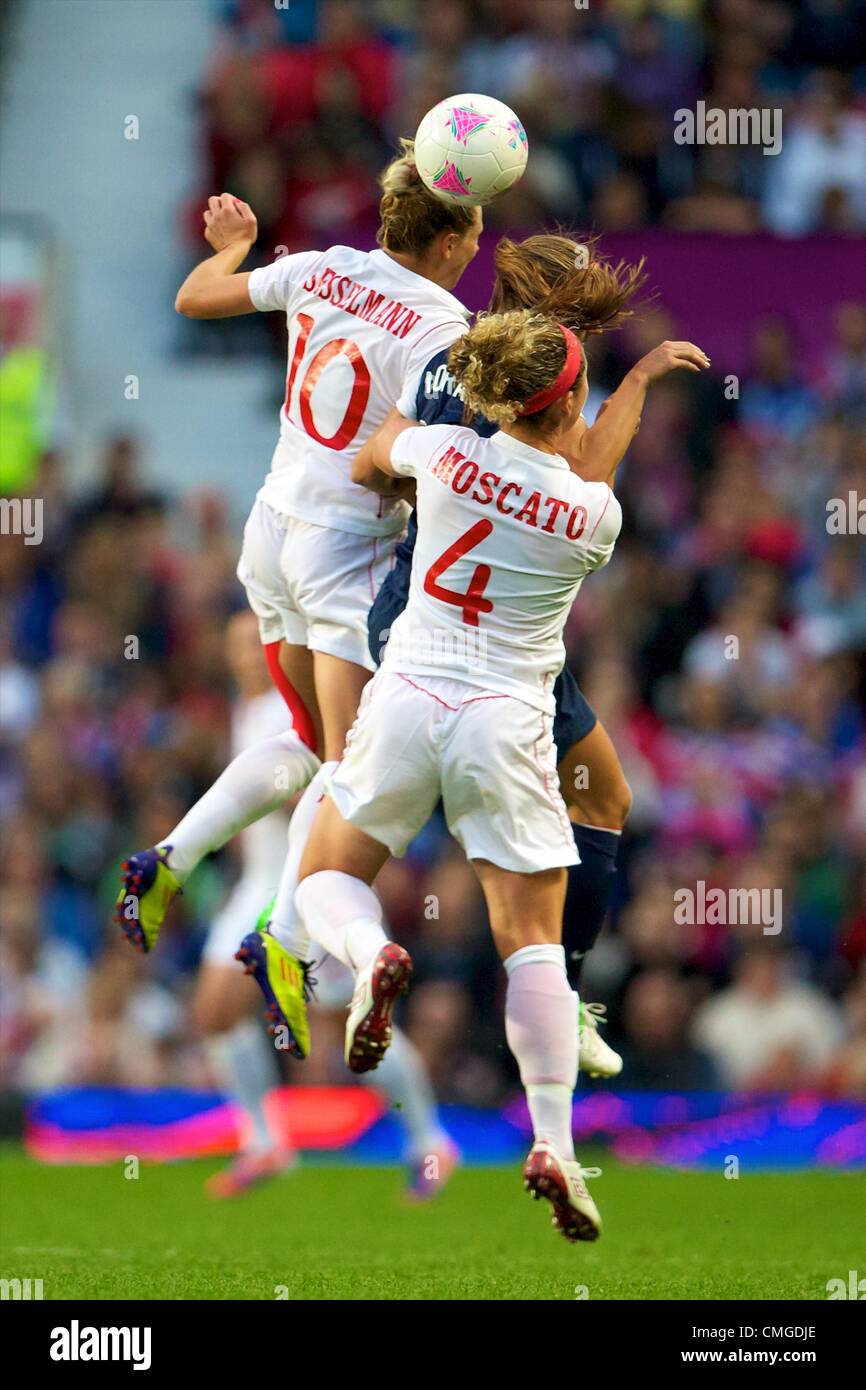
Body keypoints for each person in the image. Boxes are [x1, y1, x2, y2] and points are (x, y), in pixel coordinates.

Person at [287, 311, 707, 1241]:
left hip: (406, 694)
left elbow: (377, 451)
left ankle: (370, 958)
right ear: (572, 405)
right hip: (506, 725)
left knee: (325, 874)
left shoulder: (443, 453)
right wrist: (638, 389)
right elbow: (587, 471)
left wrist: (409, 402)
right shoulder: (597, 516)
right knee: (531, 948)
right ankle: (555, 1142)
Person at [116, 140, 482, 1060]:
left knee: (317, 741)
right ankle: (282, 938)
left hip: (270, 527)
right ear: (446, 241)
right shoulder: (444, 327)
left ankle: (174, 856)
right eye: (474, 229)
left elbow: (194, 297)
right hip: (344, 550)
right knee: (353, 761)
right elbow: (407, 459)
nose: (476, 247)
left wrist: (235, 245)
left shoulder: (320, 267)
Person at [197, 613, 457, 1200]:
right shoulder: (247, 711)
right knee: (218, 1012)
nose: (246, 655)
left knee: (350, 1025)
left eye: (254, 643)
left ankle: (427, 1141)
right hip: (257, 887)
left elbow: (321, 798)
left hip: (303, 883)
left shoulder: (299, 713)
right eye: (236, 644)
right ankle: (267, 1143)